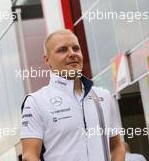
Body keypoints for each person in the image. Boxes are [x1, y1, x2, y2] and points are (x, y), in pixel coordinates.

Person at [21, 29, 125, 161]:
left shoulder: (104, 96)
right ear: (47, 60)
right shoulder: (35, 101)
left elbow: (117, 147)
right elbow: (29, 156)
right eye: (62, 50)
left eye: (76, 48)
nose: (72, 54)